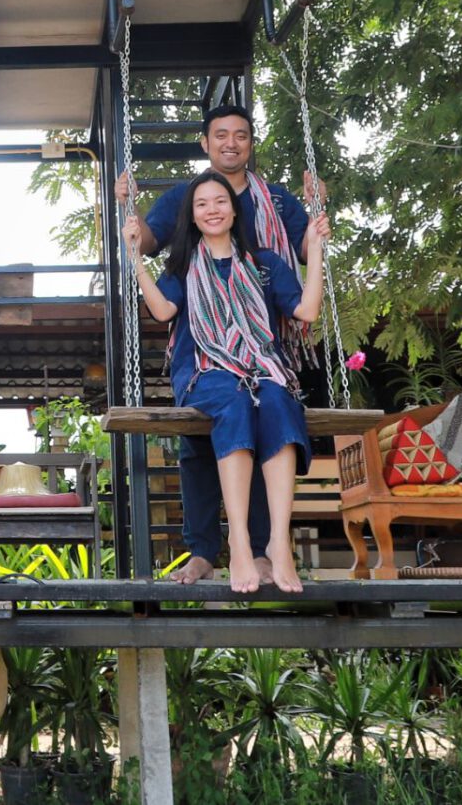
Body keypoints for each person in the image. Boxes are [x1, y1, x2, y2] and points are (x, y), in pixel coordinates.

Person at [114, 105, 321, 585]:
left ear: (251, 143)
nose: (231, 142)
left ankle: (270, 547)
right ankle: (213, 550)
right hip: (202, 356)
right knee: (211, 430)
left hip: (264, 351)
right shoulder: (183, 206)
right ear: (205, 143)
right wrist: (127, 211)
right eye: (221, 135)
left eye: (241, 135)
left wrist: (317, 224)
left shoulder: (276, 208)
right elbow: (148, 244)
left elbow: (306, 252)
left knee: (272, 407)